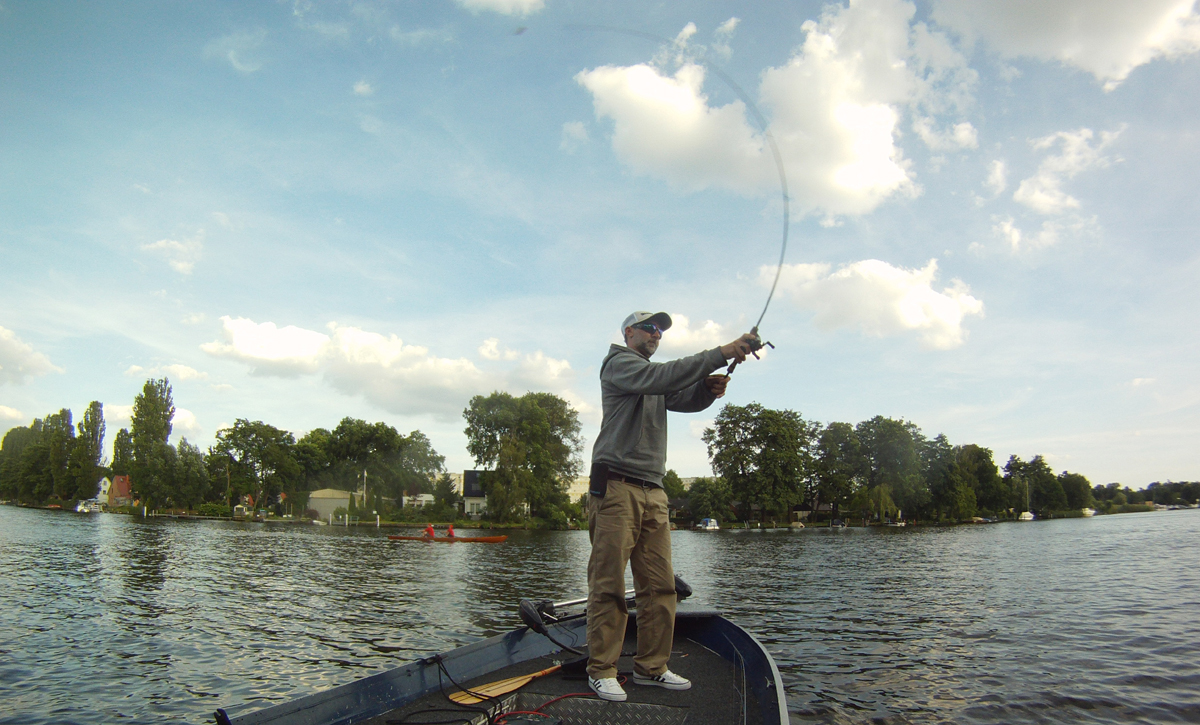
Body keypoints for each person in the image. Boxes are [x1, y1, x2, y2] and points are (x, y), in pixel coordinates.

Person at [586, 310, 758, 702]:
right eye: (649, 327)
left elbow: (682, 395)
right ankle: (601, 670)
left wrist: (707, 390)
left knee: (661, 587)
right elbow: (663, 377)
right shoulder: (620, 364)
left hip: (654, 490)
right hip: (615, 488)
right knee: (609, 584)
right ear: (628, 332)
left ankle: (651, 668)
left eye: (660, 330)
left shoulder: (651, 376)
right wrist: (722, 351)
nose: (656, 334)